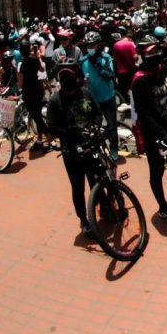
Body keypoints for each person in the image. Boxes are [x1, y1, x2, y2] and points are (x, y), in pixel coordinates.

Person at [46, 64, 104, 238]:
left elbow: (97, 112)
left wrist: (95, 126)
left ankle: (104, 207)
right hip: (72, 152)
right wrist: (69, 133)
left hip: (91, 145)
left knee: (98, 179)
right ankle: (84, 220)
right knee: (78, 187)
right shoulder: (55, 101)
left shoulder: (85, 93)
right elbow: (52, 127)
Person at [130, 41, 167, 223]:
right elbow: (143, 113)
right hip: (153, 132)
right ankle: (163, 207)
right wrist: (161, 132)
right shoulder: (140, 80)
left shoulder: (164, 70)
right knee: (157, 168)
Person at [81, 31, 119, 161]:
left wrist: (99, 66)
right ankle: (96, 149)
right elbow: (79, 80)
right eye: (88, 45)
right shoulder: (83, 61)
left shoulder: (106, 58)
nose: (90, 47)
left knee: (112, 125)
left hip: (107, 97)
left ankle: (114, 149)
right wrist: (82, 81)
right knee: (93, 128)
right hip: (92, 100)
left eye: (93, 45)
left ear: (98, 45)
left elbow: (110, 75)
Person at [18, 41, 51, 151]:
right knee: (38, 117)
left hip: (29, 94)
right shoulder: (34, 60)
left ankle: (50, 141)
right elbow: (42, 69)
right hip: (38, 90)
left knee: (37, 118)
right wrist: (38, 57)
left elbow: (20, 84)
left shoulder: (22, 64)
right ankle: (40, 140)